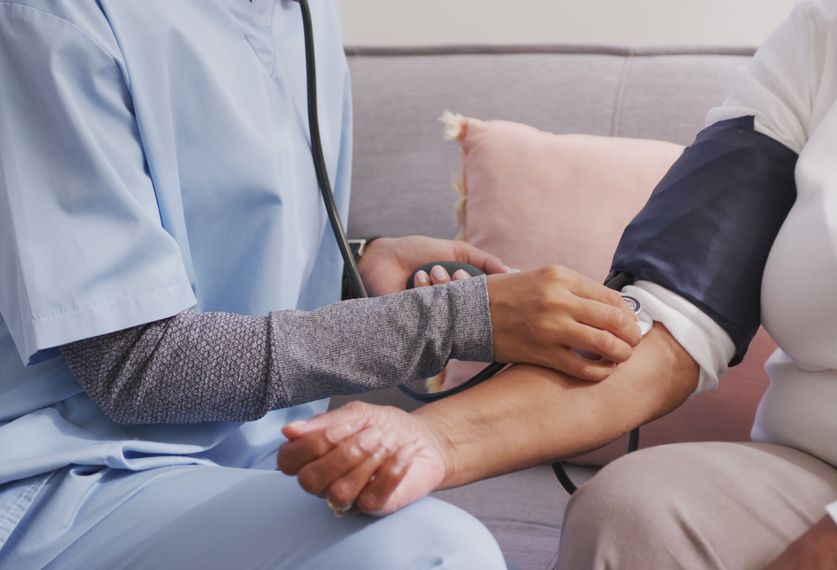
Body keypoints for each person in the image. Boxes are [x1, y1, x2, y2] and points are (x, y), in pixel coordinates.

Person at [278, 0, 837, 568]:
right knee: (639, 510)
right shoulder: (832, 36)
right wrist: (431, 439)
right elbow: (665, 319)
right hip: (818, 470)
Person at [0, 1, 644, 568]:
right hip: (63, 480)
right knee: (434, 556)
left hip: (258, 458)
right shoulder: (53, 19)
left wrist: (354, 268)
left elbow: (203, 250)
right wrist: (453, 321)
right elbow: (131, 366)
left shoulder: (301, 15)